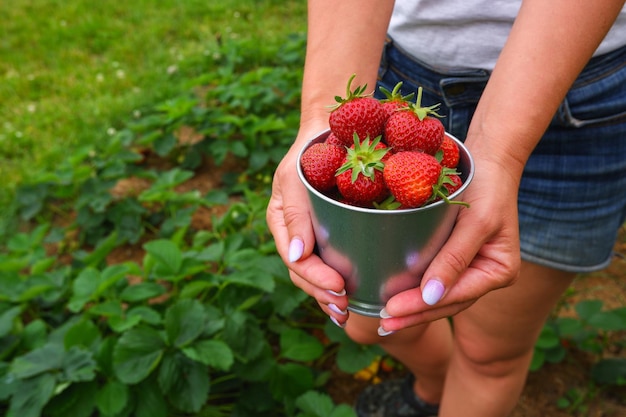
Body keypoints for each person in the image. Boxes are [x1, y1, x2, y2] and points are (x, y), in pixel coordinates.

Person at [266, 1, 626, 416]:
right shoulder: (369, 128)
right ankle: (434, 386)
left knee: (489, 353)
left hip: (571, 89)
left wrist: (499, 154)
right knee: (368, 318)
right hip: (399, 80)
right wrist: (322, 122)